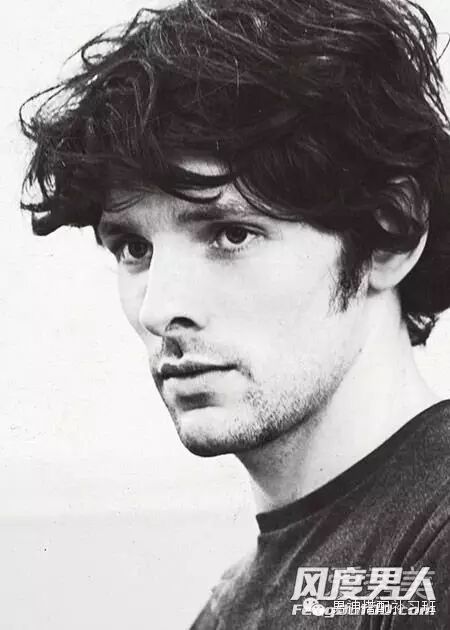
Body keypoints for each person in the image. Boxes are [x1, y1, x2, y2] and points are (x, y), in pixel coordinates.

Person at [20, 0, 450, 627]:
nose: (160, 309)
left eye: (231, 234)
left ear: (389, 232)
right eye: (134, 249)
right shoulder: (228, 610)